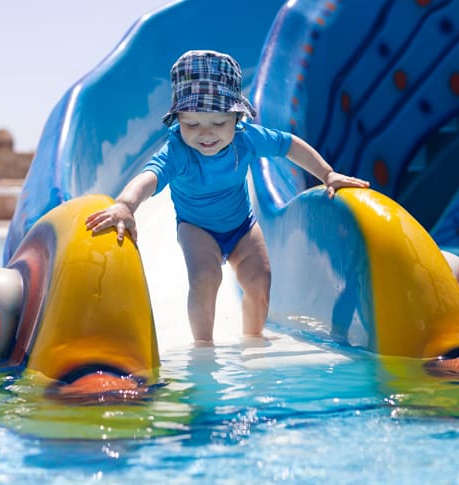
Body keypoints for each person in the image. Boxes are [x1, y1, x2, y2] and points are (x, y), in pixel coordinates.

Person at [85, 50, 369, 344]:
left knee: (260, 278)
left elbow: (290, 145)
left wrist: (327, 174)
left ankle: (253, 338)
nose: (205, 134)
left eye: (218, 123)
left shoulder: (247, 138)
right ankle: (204, 346)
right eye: (191, 124)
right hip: (196, 228)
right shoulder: (177, 150)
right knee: (205, 277)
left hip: (242, 225)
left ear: (236, 118)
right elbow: (149, 176)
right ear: (177, 120)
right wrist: (125, 205)